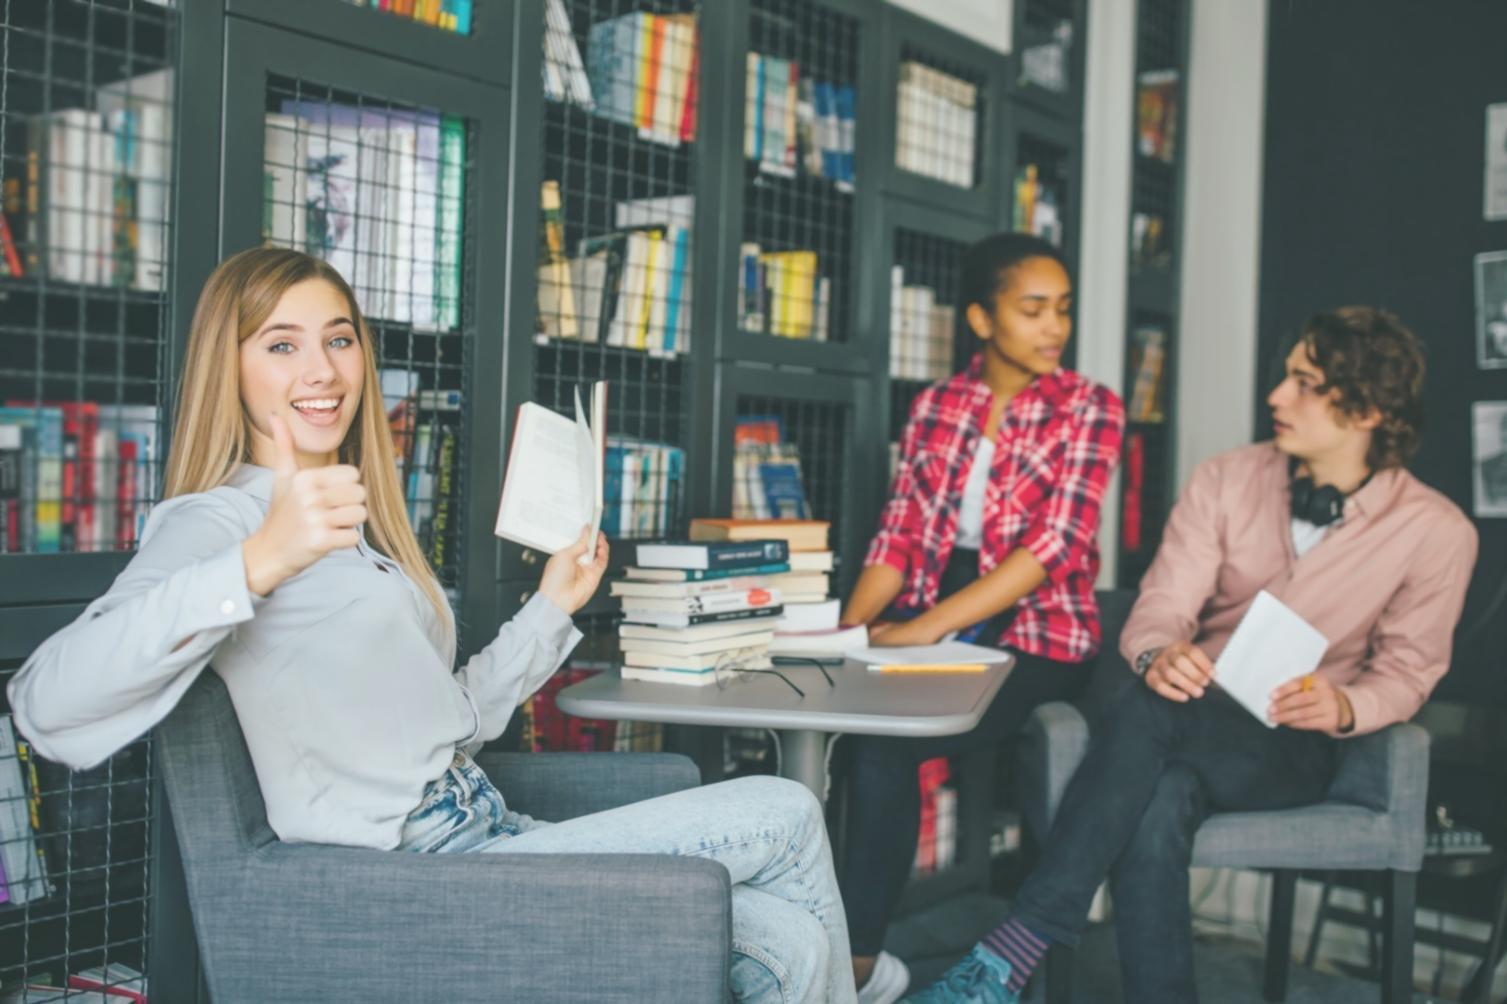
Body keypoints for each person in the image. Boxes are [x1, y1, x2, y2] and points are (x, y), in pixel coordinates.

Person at [8, 247, 856, 1004]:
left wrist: (552, 605)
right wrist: (260, 560)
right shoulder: (218, 524)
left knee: (790, 946)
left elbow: (453, 722)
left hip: (486, 827)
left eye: (339, 340)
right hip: (421, 876)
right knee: (781, 808)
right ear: (228, 370)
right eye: (281, 344)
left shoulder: (352, 528)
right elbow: (47, 703)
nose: (323, 369)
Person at [906, 306, 1478, 1004]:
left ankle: (1014, 946)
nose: (1275, 396)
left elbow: (1407, 669)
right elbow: (1162, 602)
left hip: (1289, 741)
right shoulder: (1224, 478)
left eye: (1303, 382)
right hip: (1182, 706)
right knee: (1157, 793)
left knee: (1146, 720)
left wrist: (1345, 703)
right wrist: (1156, 652)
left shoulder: (1435, 531)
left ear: (1367, 409)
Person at [838, 233, 1125, 1004]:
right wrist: (845, 633)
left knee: (893, 741)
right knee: (861, 737)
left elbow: (1053, 547)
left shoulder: (1090, 406)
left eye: (1061, 309)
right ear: (979, 316)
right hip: (936, 609)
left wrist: (921, 628)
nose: (1052, 326)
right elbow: (898, 532)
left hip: (1038, 631)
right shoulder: (937, 405)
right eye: (1031, 308)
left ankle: (851, 971)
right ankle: (849, 958)